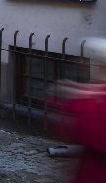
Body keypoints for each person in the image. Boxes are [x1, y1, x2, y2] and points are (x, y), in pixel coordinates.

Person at [53, 38, 106, 183]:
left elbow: (88, 133)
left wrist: (75, 98)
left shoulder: (92, 102)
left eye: (101, 65)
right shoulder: (95, 95)